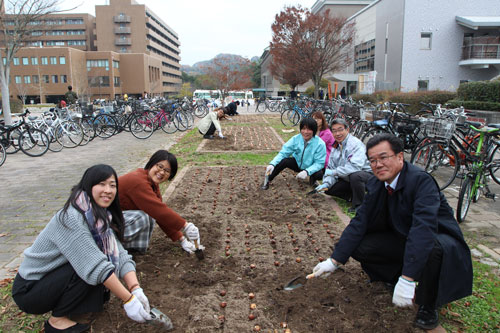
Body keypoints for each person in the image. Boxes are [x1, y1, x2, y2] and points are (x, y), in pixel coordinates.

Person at [311, 133, 473, 330]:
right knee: (361, 246)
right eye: (372, 160)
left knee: (432, 250)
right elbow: (360, 221)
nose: (378, 164)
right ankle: (393, 277)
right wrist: (334, 260)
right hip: (402, 234)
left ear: (399, 157)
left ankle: (428, 304)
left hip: (437, 238)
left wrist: (409, 278)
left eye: (383, 157)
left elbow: (423, 229)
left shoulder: (421, 182)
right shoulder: (377, 183)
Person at [12, 165, 152, 333]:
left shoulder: (99, 216)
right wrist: (129, 300)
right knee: (90, 265)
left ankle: (76, 305)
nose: (108, 190)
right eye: (102, 183)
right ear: (88, 185)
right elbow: (96, 265)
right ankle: (57, 321)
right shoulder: (71, 217)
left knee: (97, 263)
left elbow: (120, 253)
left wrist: (135, 288)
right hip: (30, 289)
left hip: (52, 278)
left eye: (113, 185)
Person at [119, 150, 202, 255]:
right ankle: (113, 246)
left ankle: (132, 250)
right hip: (103, 223)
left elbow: (160, 216)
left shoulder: (152, 185)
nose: (162, 172)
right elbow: (159, 211)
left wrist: (182, 239)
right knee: (144, 217)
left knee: (151, 215)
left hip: (118, 219)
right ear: (152, 163)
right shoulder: (138, 181)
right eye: (160, 166)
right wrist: (185, 225)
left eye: (167, 171)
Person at [315, 118, 372, 213]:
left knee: (355, 176)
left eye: (340, 129)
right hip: (347, 177)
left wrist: (335, 172)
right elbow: (331, 167)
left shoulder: (355, 144)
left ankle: (359, 205)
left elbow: (355, 167)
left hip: (366, 176)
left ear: (347, 130)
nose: (337, 134)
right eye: (334, 131)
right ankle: (353, 196)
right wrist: (326, 183)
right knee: (328, 189)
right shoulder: (336, 146)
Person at [261, 117, 326, 190]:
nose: (306, 132)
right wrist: (272, 164)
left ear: (314, 130)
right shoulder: (296, 139)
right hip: (298, 164)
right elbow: (284, 153)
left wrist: (307, 171)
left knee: (320, 174)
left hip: (310, 166)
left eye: (309, 129)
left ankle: (313, 180)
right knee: (285, 161)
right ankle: (268, 179)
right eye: (303, 129)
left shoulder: (320, 144)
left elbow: (319, 163)